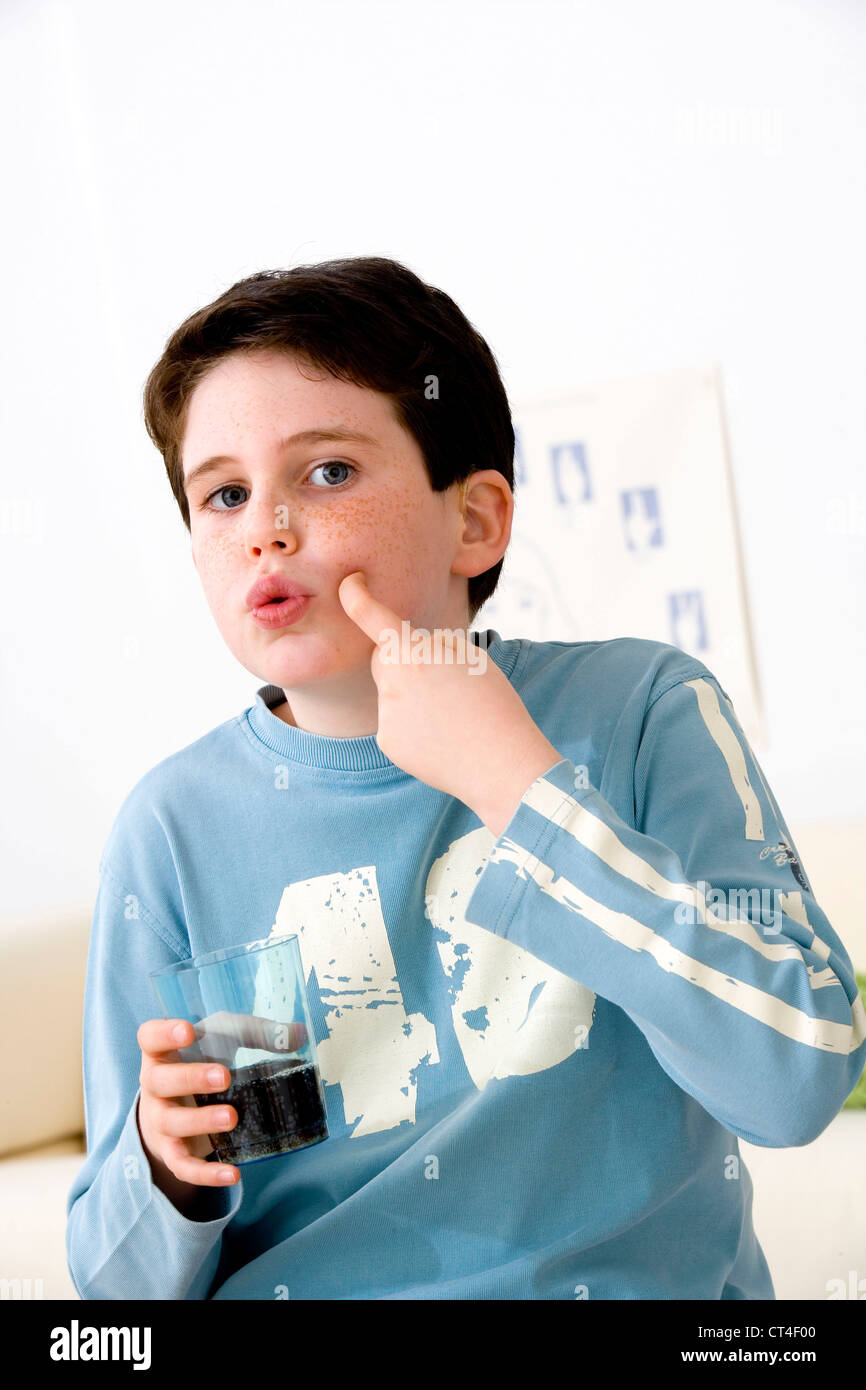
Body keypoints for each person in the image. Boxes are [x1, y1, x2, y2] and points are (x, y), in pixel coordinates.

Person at [66, 256, 866, 1300]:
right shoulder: (174, 829)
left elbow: (796, 1075)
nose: (263, 525)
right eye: (221, 493)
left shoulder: (640, 711)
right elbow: (117, 1298)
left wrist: (520, 790)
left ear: (475, 520)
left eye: (326, 472)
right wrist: (167, 1164)